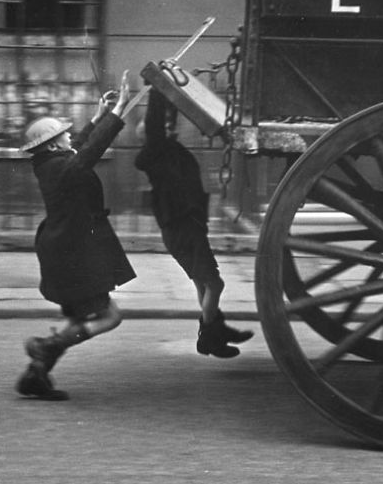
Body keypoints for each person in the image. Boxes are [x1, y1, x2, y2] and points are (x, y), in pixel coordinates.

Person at [15, 71, 135, 401]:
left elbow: (79, 148)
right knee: (111, 317)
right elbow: (88, 153)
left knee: (79, 319)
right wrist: (118, 111)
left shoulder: (50, 162)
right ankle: (45, 346)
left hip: (65, 252)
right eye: (64, 134)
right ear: (54, 144)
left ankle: (36, 375)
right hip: (73, 255)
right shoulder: (60, 168)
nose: (70, 137)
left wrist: (97, 117)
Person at [135, 89, 253, 358]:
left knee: (203, 283)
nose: (168, 127)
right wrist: (156, 89)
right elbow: (155, 124)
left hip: (183, 230)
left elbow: (165, 122)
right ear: (153, 137)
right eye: (163, 127)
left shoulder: (167, 150)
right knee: (215, 285)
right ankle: (210, 335)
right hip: (183, 230)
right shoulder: (158, 152)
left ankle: (216, 330)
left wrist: (168, 101)